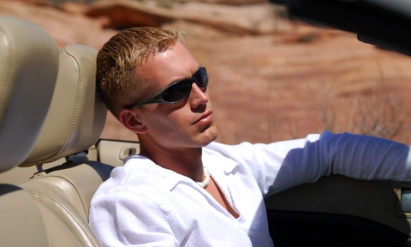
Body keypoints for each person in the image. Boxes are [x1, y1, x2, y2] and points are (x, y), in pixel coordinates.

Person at [89, 27, 411, 247]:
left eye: (199, 78)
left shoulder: (225, 164)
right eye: (176, 91)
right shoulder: (131, 203)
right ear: (135, 120)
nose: (201, 97)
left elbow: (328, 151)